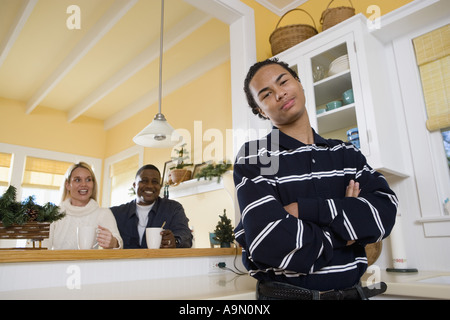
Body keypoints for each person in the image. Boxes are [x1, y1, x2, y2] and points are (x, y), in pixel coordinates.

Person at [233, 58, 398, 300]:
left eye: (283, 82)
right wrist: (348, 231)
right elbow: (269, 240)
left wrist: (304, 209)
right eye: (266, 94)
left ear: (299, 83)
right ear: (260, 110)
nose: (280, 94)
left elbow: (384, 212)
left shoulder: (346, 153)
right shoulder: (255, 157)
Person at [111, 164, 192, 249]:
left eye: (155, 182)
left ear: (160, 187)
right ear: (135, 185)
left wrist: (175, 241)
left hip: (161, 262)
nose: (149, 186)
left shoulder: (173, 208)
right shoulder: (116, 214)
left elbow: (187, 237)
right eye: (144, 181)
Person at [49, 162, 123, 250]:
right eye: (77, 180)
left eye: (88, 180)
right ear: (67, 185)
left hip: (92, 264)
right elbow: (42, 249)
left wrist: (114, 243)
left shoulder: (103, 213)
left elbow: (118, 245)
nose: (84, 184)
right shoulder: (54, 214)